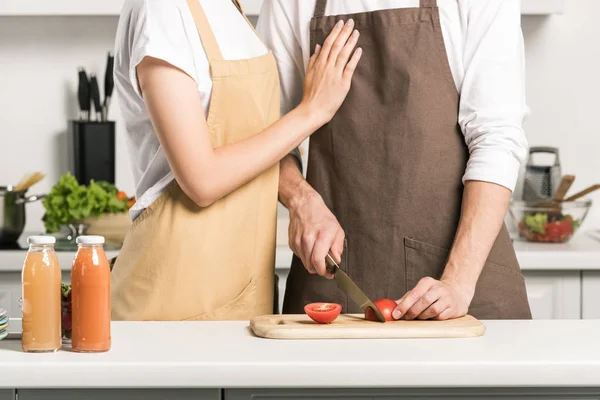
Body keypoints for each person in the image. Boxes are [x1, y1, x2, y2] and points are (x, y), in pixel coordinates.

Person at [257, 0, 533, 320]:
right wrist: (299, 199)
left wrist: (457, 282)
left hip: (461, 282)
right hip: (335, 276)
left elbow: (497, 139)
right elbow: (263, 135)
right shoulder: (290, 4)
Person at [109, 0, 362, 321]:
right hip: (174, 295)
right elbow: (201, 179)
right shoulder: (160, 10)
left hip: (239, 287)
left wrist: (304, 199)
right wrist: (313, 111)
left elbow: (255, 146)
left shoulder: (230, 10)